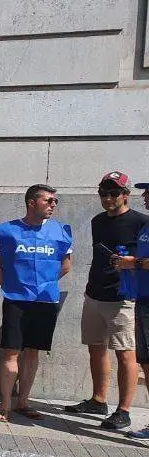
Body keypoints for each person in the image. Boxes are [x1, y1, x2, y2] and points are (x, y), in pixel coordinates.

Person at [65, 172, 148, 430]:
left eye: (114, 193)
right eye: (103, 193)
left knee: (126, 355)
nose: (108, 198)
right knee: (95, 347)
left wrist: (132, 264)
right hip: (94, 292)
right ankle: (98, 400)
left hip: (123, 297)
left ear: (126, 194)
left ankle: (123, 410)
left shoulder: (141, 222)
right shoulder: (97, 221)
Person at [0, 184, 72, 423]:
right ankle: (5, 405)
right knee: (11, 351)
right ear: (31, 203)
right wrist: (14, 285)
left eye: (55, 201)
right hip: (16, 300)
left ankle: (23, 402)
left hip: (46, 301)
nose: (53, 205)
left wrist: (44, 284)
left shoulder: (61, 231)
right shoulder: (6, 231)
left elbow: (66, 265)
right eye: (48, 200)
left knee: (33, 351)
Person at [118, 181, 149, 439]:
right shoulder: (147, 225)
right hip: (143, 299)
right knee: (147, 364)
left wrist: (134, 262)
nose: (145, 196)